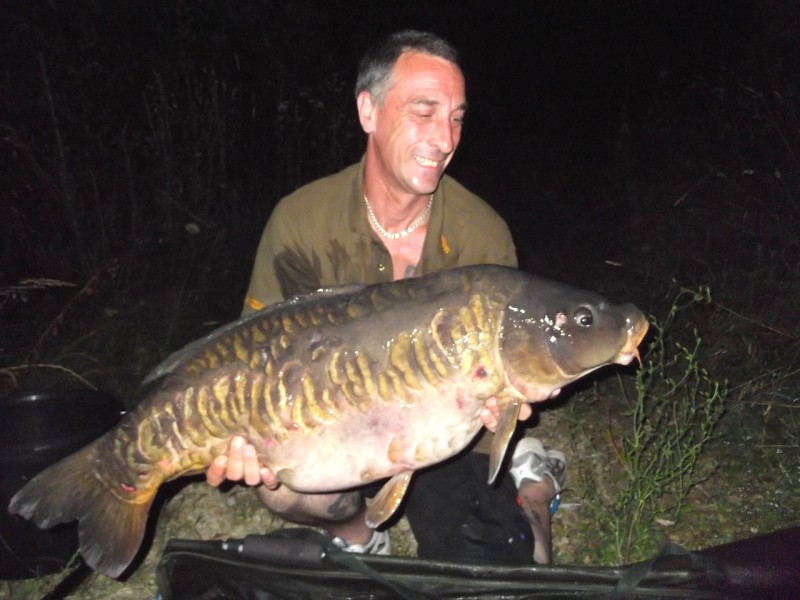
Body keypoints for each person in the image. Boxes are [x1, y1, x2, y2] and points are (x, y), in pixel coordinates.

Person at [207, 30, 566, 565]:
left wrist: (510, 397)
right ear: (368, 111)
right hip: (353, 424)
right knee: (287, 487)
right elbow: (255, 354)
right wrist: (242, 429)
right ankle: (359, 531)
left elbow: (512, 361)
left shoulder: (481, 234)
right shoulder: (302, 222)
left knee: (513, 567)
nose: (445, 138)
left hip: (449, 434)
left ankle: (534, 481)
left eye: (456, 117)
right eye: (425, 112)